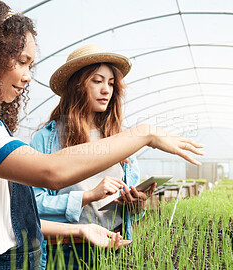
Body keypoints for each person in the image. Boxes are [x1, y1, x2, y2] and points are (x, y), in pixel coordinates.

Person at [0, 0, 204, 269]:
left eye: (30, 64)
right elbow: (51, 171)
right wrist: (144, 134)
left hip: (23, 256)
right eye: (21, 61)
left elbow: (17, 215)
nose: (27, 75)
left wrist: (82, 229)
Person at [30, 45, 157, 269]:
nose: (106, 90)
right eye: (97, 81)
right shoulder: (46, 139)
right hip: (67, 249)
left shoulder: (120, 140)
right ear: (77, 86)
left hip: (114, 246)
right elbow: (33, 205)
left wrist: (136, 203)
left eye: (110, 83)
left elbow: (130, 206)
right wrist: (88, 196)